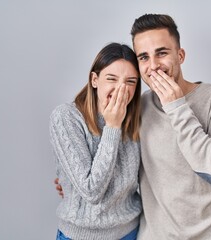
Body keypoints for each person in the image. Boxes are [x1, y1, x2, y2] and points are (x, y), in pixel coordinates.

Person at [131, 14, 211, 239]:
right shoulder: (139, 107)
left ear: (180, 55)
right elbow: (120, 166)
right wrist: (73, 182)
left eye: (161, 53)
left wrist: (176, 107)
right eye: (144, 57)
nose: (153, 66)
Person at [49, 43, 143, 240]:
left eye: (130, 81)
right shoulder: (66, 117)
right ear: (94, 79)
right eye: (112, 79)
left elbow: (159, 170)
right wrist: (112, 127)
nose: (121, 88)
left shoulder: (138, 119)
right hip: (80, 236)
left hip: (130, 232)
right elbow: (92, 192)